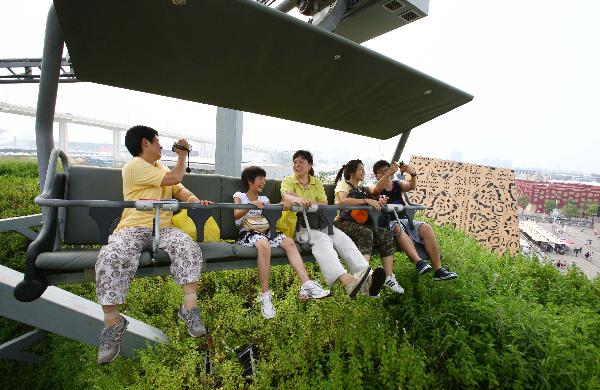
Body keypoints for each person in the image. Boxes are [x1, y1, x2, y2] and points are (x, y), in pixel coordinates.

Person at [95, 125, 211, 364]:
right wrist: (182, 155)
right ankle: (112, 324)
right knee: (112, 256)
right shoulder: (134, 166)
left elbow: (178, 188)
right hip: (134, 227)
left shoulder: (160, 167)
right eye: (157, 141)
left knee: (187, 247)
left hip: (163, 228)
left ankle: (189, 308)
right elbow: (175, 177)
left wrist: (194, 200)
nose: (160, 145)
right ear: (144, 143)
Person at [280, 150, 386, 298]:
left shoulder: (316, 182)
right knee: (323, 240)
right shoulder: (288, 181)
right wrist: (298, 199)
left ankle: (369, 278)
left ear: (309, 165)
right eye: (295, 162)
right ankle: (347, 281)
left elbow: (323, 203)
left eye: (301, 162)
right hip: (300, 227)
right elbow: (286, 196)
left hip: (321, 224)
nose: (297, 165)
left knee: (342, 239)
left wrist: (305, 201)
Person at [233, 166, 330, 319]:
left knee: (289, 242)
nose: (263, 182)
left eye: (264, 180)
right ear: (250, 181)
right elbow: (236, 215)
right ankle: (265, 295)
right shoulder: (239, 195)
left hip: (266, 229)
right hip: (249, 231)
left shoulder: (264, 199)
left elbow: (272, 215)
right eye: (260, 179)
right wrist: (250, 206)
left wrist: (281, 207)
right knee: (264, 246)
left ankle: (307, 283)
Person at [368, 160, 458, 281]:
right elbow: (375, 190)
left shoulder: (397, 184)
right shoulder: (373, 185)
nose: (385, 174)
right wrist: (388, 173)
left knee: (426, 227)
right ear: (376, 175)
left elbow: (411, 186)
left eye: (387, 170)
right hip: (388, 221)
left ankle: (438, 269)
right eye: (381, 172)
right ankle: (419, 262)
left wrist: (413, 174)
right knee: (397, 229)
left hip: (403, 218)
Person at [332, 159, 404, 294]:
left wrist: (377, 202)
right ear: (352, 172)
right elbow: (343, 201)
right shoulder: (343, 184)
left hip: (358, 222)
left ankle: (389, 277)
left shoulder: (360, 189)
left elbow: (371, 196)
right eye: (361, 169)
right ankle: (363, 275)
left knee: (385, 234)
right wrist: (366, 200)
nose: (363, 172)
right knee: (365, 233)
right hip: (342, 222)